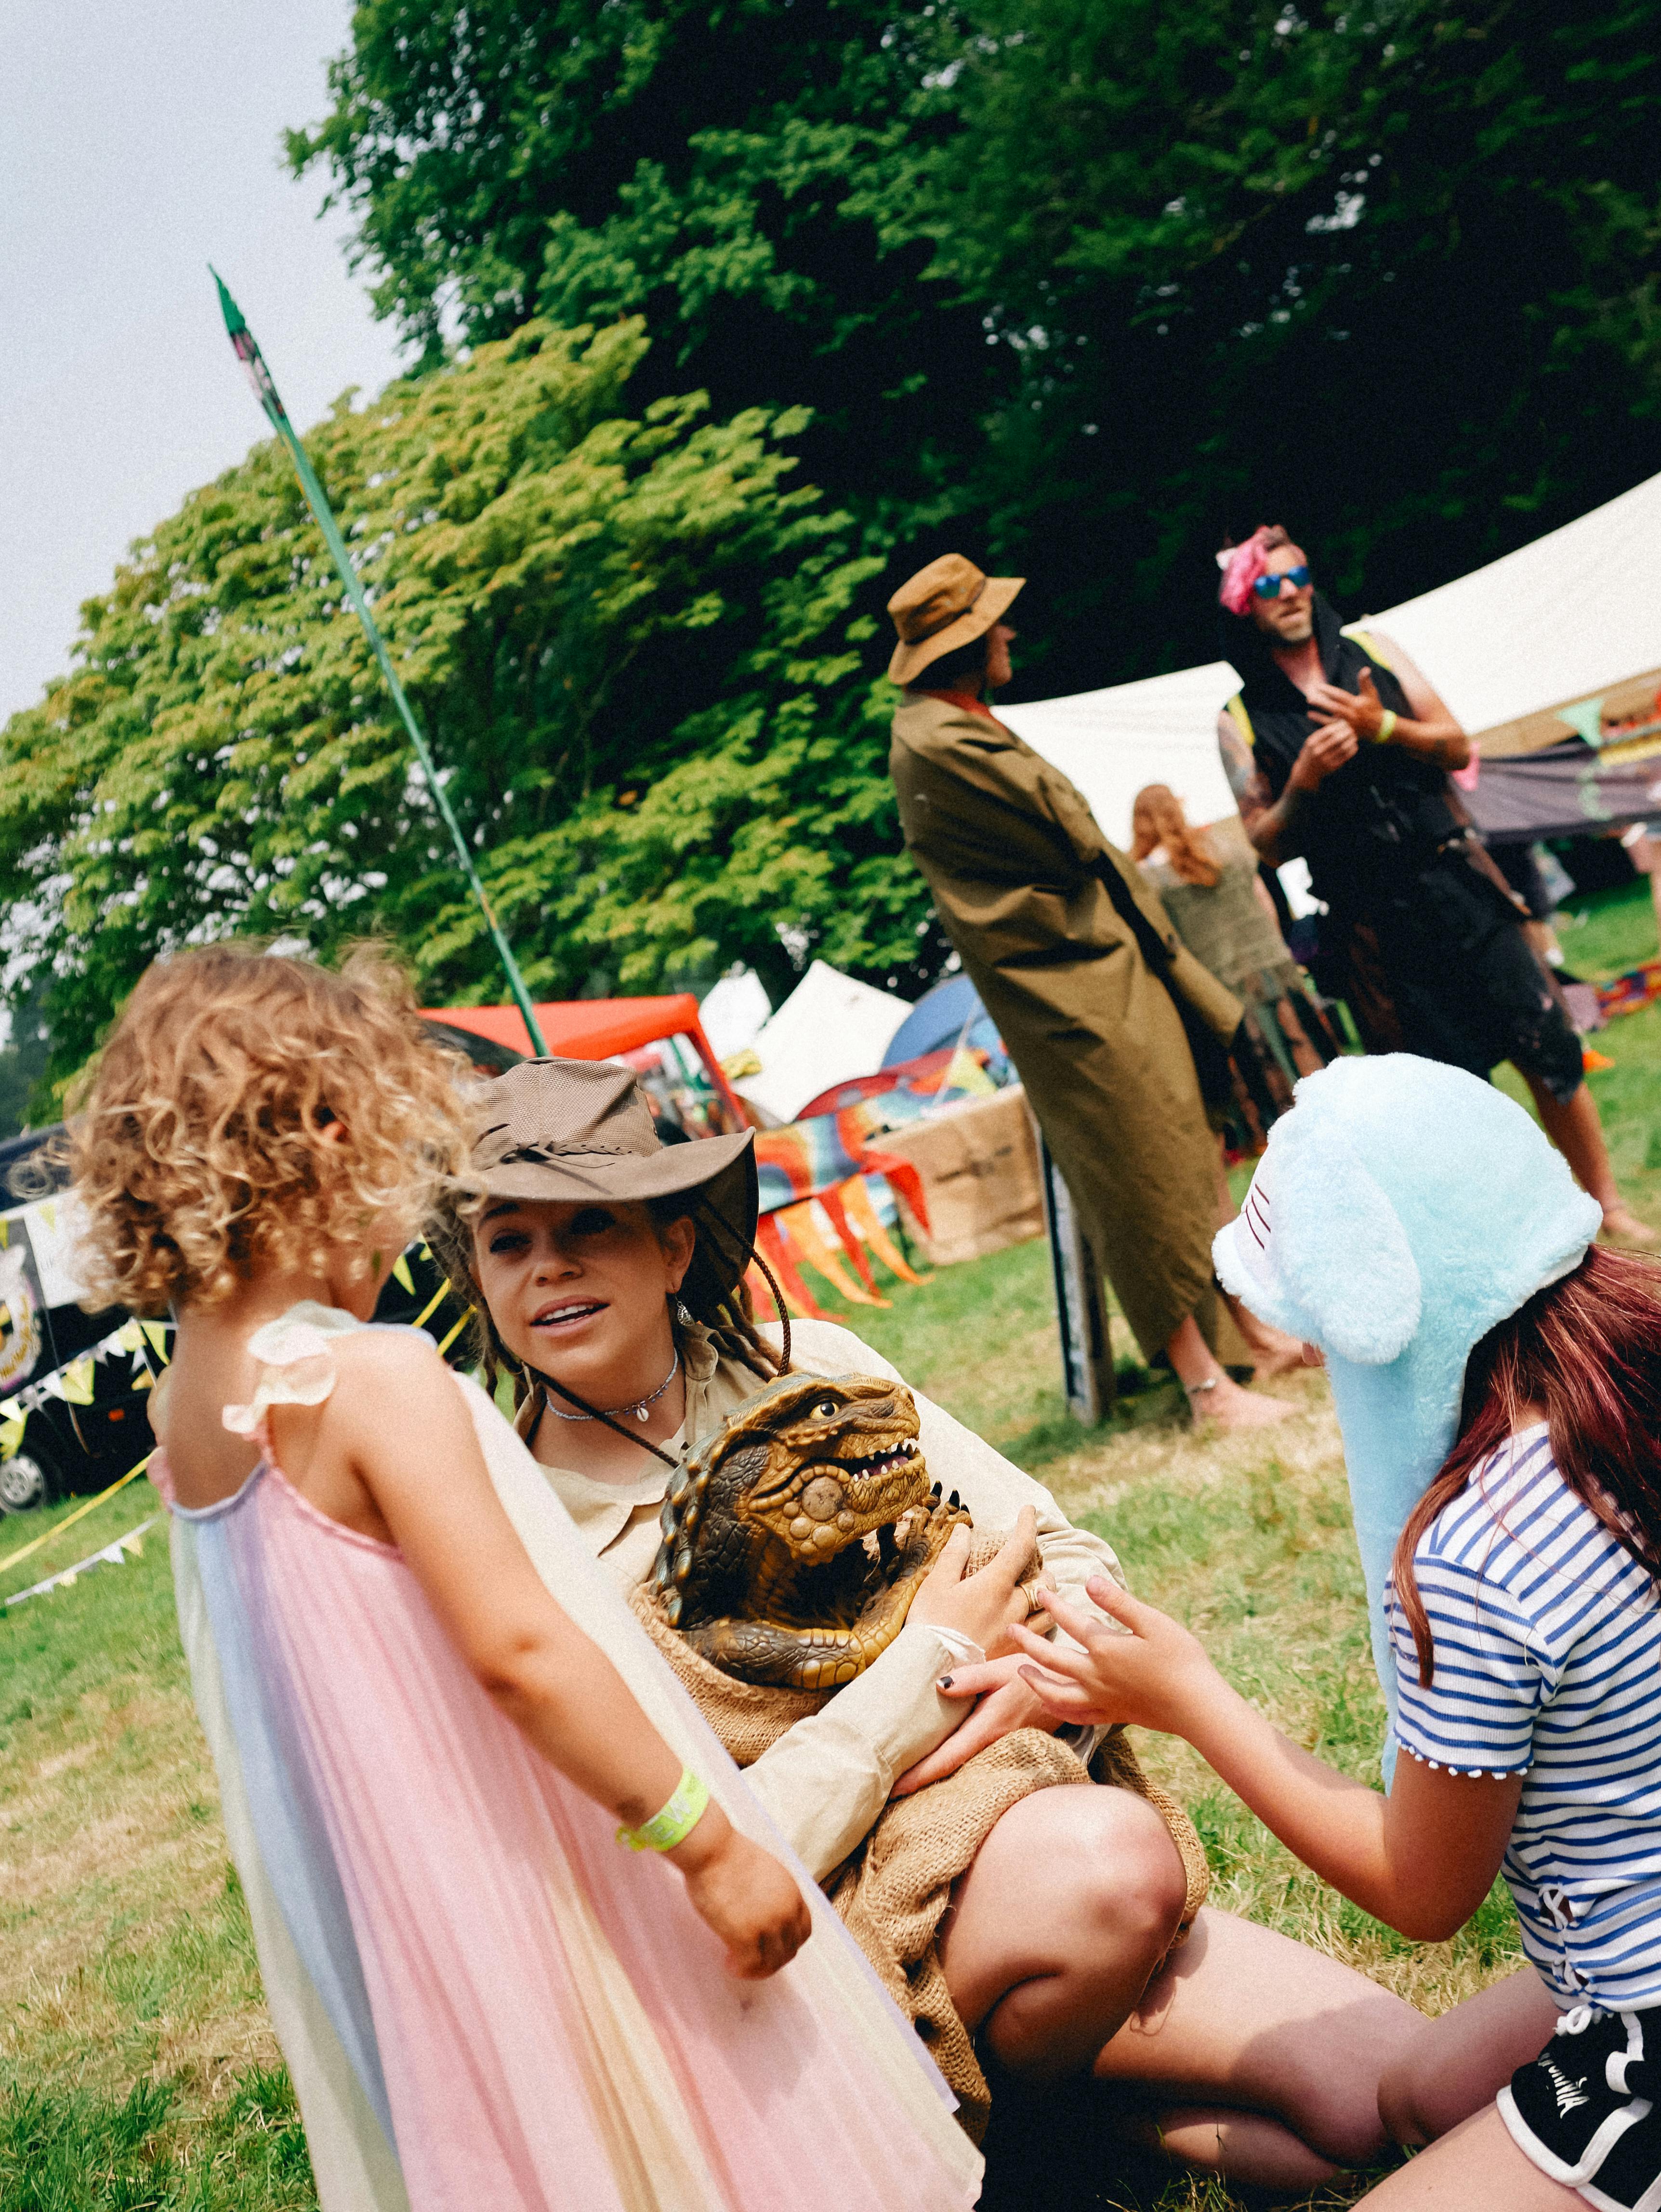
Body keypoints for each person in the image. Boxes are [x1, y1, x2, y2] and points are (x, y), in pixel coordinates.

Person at [84, 946, 984, 2212]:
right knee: (679, 2124)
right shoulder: (369, 1379)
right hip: (515, 1850)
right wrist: (707, 1839)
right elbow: (521, 1650)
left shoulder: (192, 1404)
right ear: (335, 1135)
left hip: (388, 1887)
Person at [432, 1053, 1428, 2194]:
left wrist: (1033, 1675)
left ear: (672, 1247)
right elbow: (679, 1873)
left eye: (587, 1228)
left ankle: (1042, 2119)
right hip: (814, 1953)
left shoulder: (812, 1367)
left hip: (1004, 1850)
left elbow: (1063, 1560)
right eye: (508, 1240)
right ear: (478, 1279)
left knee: (1377, 2101)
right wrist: (930, 1670)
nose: (548, 1267)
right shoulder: (509, 1541)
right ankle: (948, 2125)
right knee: (1112, 1867)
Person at [1011, 1053, 1661, 2208]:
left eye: (1309, 1323)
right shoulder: (1630, 1383)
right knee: (1415, 2097)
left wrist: (1187, 1698)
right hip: (1616, 1944)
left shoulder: (1480, 1553)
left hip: (1643, 2016)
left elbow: (1421, 1893)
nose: (1306, 1355)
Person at [886, 553, 1295, 1429]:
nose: (1009, 630)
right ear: (961, 643)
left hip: (1101, 967)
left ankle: (1252, 1335)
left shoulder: (959, 722)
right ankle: (1204, 1386)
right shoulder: (936, 738)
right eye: (993, 620)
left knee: (1182, 1145)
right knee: (1132, 1172)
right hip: (1065, 988)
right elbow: (1065, 837)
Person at [1215, 523, 1652, 1244]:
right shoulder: (1239, 719)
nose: (1288, 593)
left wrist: (1383, 724)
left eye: (1297, 577)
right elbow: (1263, 836)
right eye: (1268, 584)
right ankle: (1521, 1236)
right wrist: (1303, 785)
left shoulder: (1376, 654)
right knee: (1445, 1094)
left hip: (1455, 882)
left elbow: (1456, 745)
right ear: (1245, 604)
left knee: (1546, 1041)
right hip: (1372, 926)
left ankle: (1608, 1205)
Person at [1130, 780, 1337, 1143]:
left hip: (1218, 986)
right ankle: (1332, 1111)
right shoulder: (1226, 848)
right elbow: (1265, 902)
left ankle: (1272, 1136)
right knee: (1300, 1045)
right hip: (1273, 966)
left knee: (1255, 1062)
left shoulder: (1148, 878)